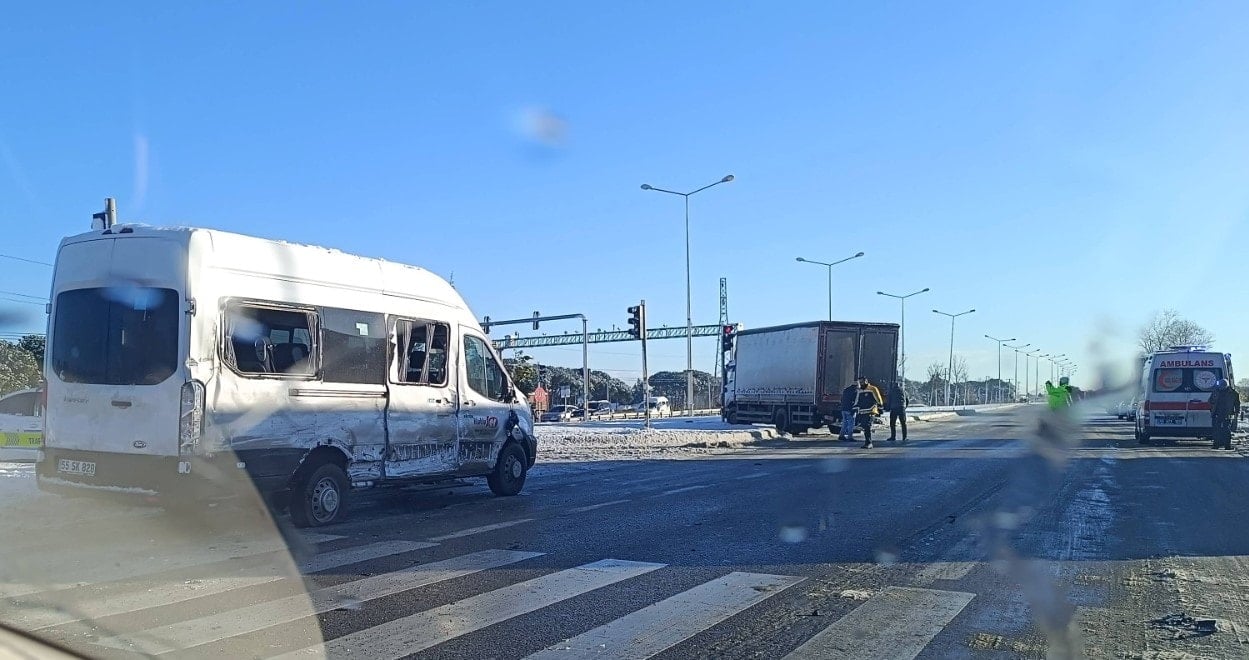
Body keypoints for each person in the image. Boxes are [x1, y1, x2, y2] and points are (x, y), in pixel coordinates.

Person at [1210, 378, 1240, 450]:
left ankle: (1227, 445)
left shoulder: (1234, 393)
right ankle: (1216, 445)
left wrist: (1236, 413)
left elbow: (1237, 404)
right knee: (1217, 430)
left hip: (1227, 414)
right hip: (1217, 413)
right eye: (1221, 385)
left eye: (1223, 385)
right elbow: (1210, 401)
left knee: (1226, 430)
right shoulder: (1216, 392)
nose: (1221, 387)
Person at [855, 376, 883, 448]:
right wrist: (855, 406)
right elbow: (857, 400)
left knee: (867, 426)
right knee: (864, 426)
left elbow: (878, 399)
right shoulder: (860, 390)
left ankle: (869, 443)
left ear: (866, 381)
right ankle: (867, 442)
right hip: (862, 411)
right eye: (860, 382)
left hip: (871, 410)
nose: (861, 383)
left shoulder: (873, 389)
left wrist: (880, 406)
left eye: (862, 382)